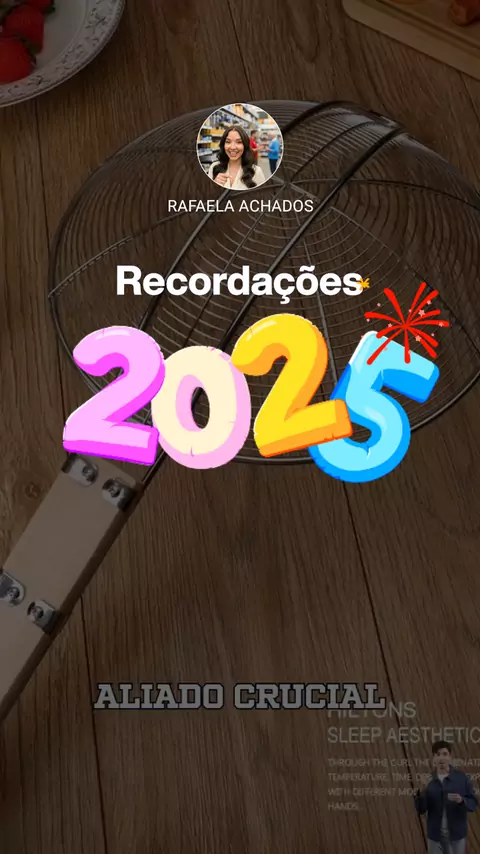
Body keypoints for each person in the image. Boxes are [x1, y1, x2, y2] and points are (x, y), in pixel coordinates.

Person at [414, 741, 478, 853]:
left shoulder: (462, 779)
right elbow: (421, 809)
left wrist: (462, 800)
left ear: (450, 757)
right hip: (435, 837)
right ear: (434, 758)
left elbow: (473, 803)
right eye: (438, 754)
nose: (441, 758)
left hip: (457, 836)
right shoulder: (428, 780)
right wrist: (422, 791)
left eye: (445, 754)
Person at [207, 125, 266, 190]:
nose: (232, 147)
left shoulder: (256, 171)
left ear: (245, 145)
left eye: (239, 142)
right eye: (228, 142)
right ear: (223, 145)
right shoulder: (214, 167)